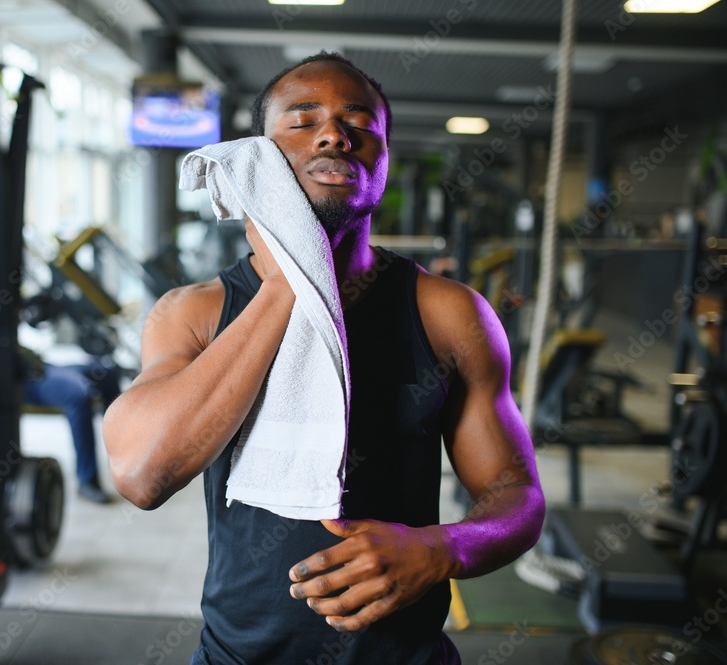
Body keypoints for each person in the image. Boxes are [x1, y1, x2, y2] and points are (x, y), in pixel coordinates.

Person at [102, 52, 545, 664]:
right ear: (260, 155)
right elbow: (141, 475)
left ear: (383, 158)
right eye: (302, 120)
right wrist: (291, 280)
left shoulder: (449, 314)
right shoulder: (194, 313)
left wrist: (441, 548)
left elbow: (517, 497)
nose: (335, 134)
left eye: (358, 123)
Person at [20, 347, 122, 504]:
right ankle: (87, 480)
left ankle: (125, 457)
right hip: (26, 377)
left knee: (108, 373)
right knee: (78, 394)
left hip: (43, 365)